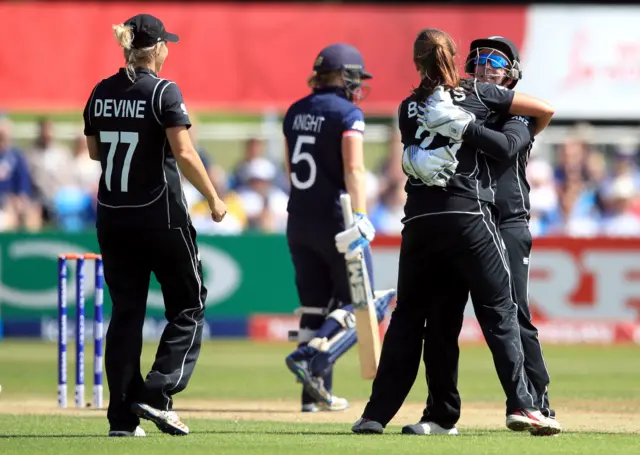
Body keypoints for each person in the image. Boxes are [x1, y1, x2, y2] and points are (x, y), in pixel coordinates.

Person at [352, 28, 561, 436]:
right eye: (479, 58)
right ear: (462, 62)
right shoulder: (461, 98)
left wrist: (464, 128)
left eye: (496, 62)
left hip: (504, 222)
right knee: (444, 321)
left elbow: (508, 144)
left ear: (512, 74)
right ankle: (441, 414)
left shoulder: (512, 111)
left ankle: (537, 405)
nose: (486, 65)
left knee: (511, 314)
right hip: (467, 219)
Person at [82, 14, 227, 437]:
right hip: (160, 214)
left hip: (113, 214)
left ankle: (122, 421)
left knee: (126, 313)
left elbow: (95, 151)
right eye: (167, 45)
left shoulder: (100, 92)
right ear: (158, 48)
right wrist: (214, 198)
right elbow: (183, 152)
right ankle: (157, 394)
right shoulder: (163, 90)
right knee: (189, 304)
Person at [281, 43, 396, 413]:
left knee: (314, 308)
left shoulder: (294, 111)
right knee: (367, 305)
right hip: (338, 221)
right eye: (356, 77)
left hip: (298, 219)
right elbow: (354, 169)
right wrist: (361, 213)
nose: (358, 84)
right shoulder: (348, 113)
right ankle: (309, 359)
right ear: (344, 75)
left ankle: (311, 398)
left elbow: (290, 170)